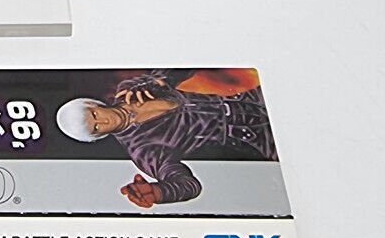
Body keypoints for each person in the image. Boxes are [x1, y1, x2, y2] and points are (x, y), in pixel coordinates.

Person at [54, 68, 275, 207]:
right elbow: (188, 184)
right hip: (261, 140)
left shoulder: (128, 90)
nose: (105, 121)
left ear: (94, 105)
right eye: (96, 128)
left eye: (95, 115)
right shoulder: (142, 149)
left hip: (255, 97)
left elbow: (182, 65)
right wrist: (158, 192)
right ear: (97, 137)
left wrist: (161, 79)